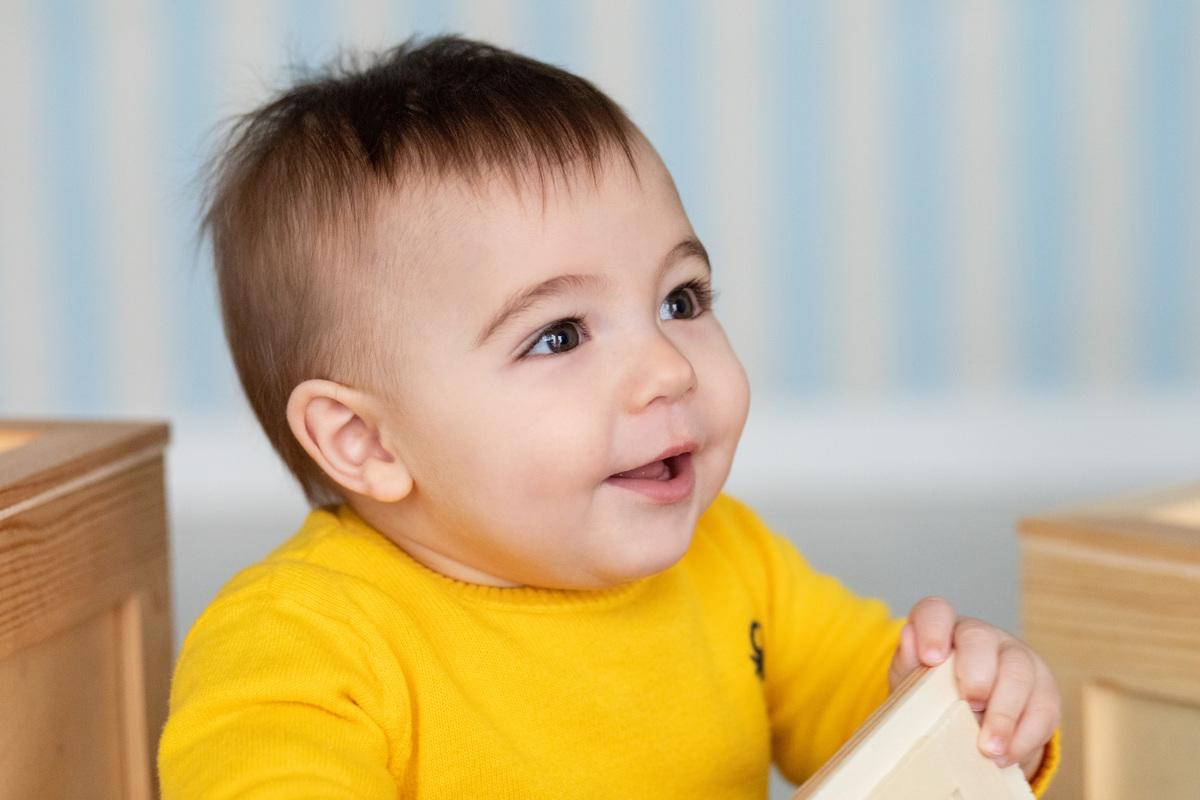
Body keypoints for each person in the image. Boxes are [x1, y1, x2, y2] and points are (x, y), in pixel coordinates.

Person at [159, 36, 1060, 799]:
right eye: (558, 336)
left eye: (680, 299)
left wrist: (964, 706)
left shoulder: (733, 561)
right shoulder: (299, 642)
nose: (668, 368)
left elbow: (869, 711)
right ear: (365, 441)